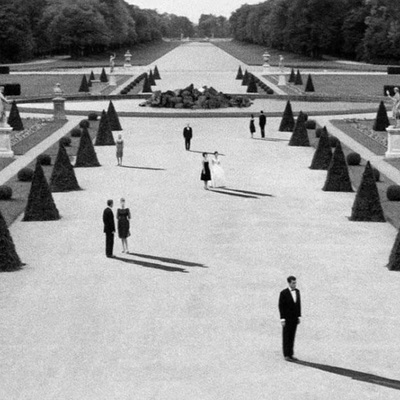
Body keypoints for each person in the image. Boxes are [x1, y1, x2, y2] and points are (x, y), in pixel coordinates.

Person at [278, 276, 301, 362]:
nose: (295, 284)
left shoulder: (297, 291)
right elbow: (281, 306)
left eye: (295, 283)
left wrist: (298, 316)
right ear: (289, 283)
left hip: (294, 318)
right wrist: (282, 319)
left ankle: (291, 354)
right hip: (287, 318)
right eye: (293, 283)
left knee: (292, 336)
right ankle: (286, 354)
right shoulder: (283, 293)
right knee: (286, 336)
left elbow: (298, 304)